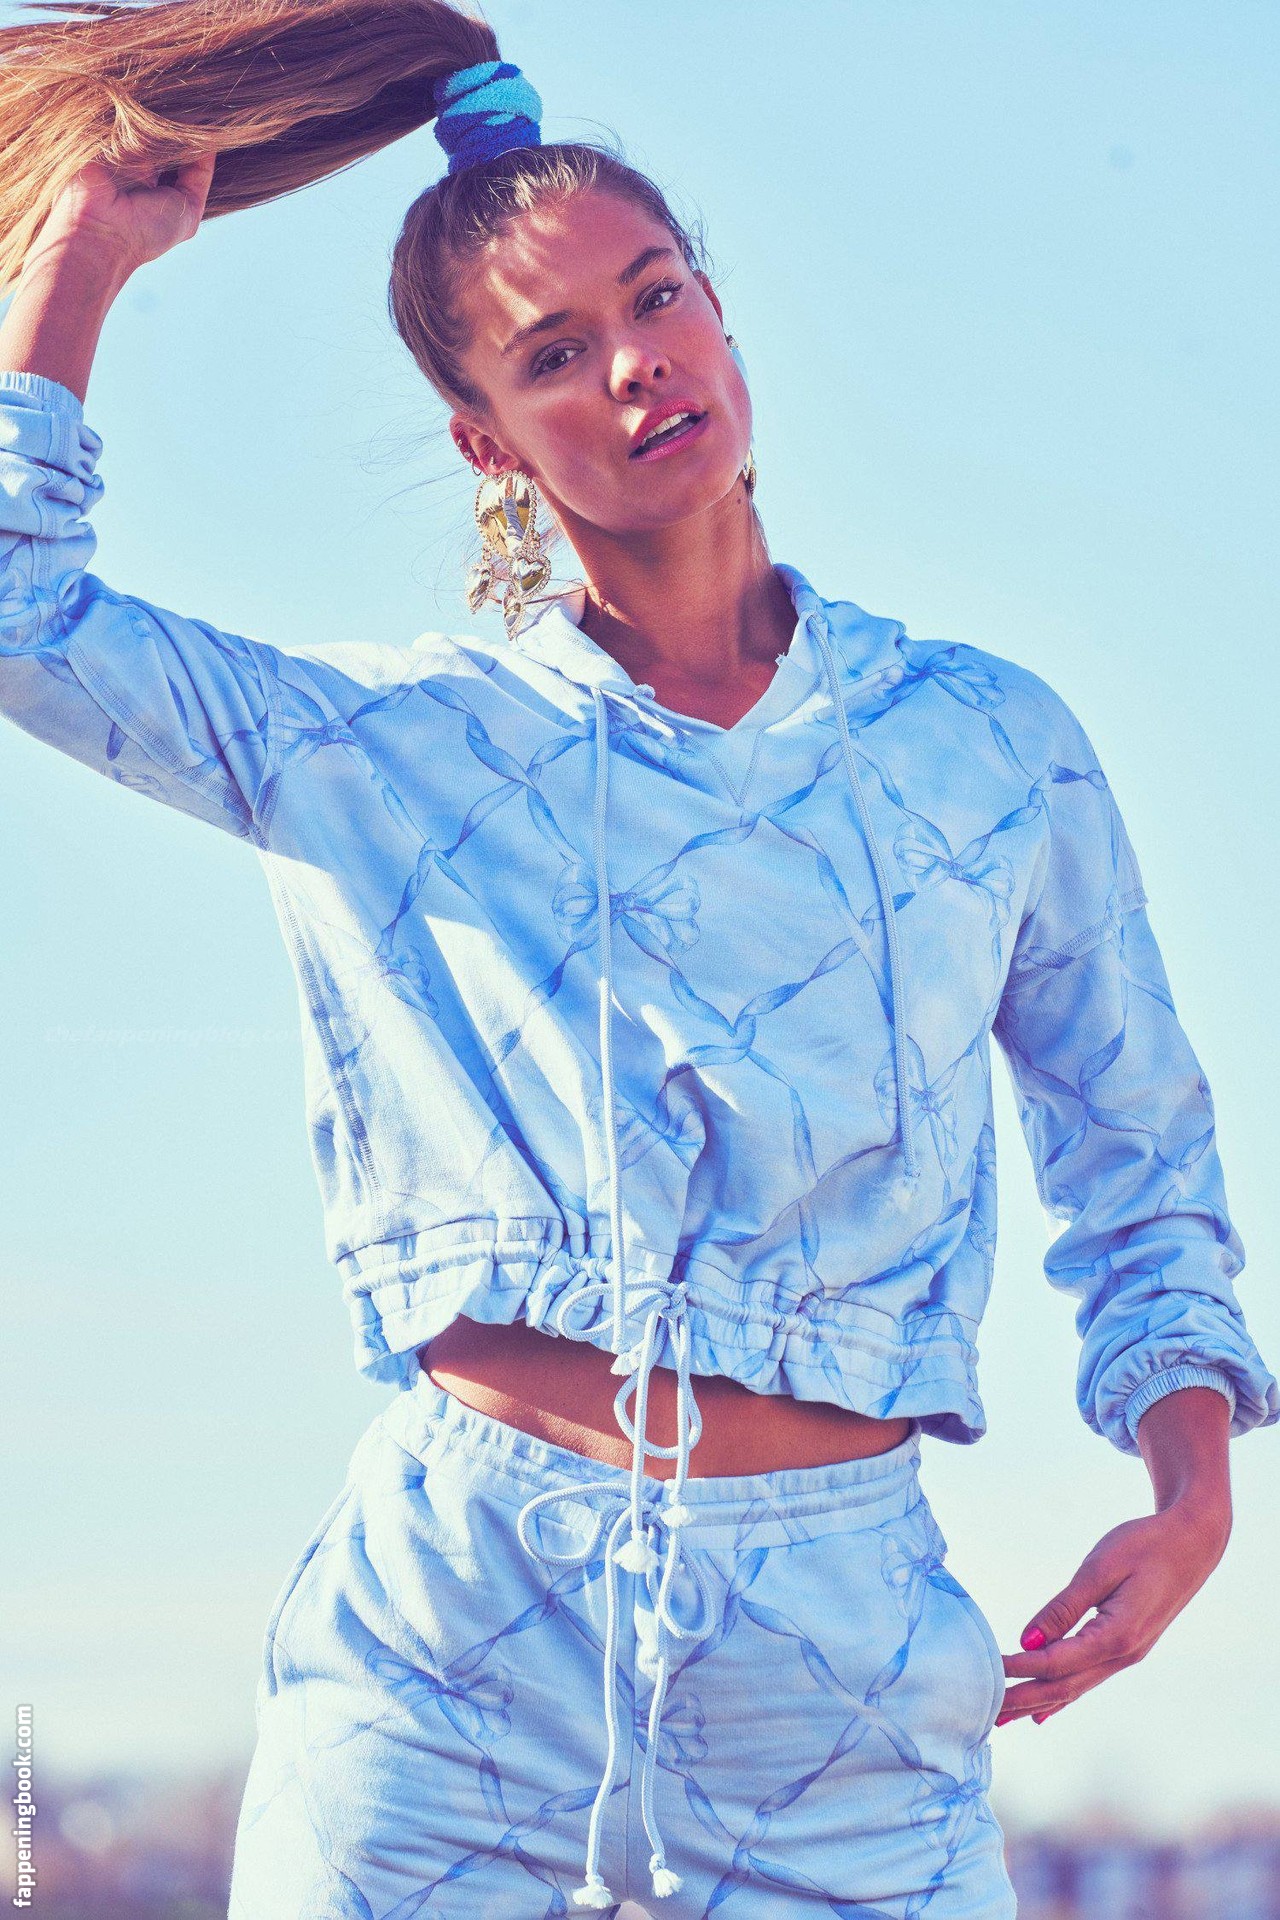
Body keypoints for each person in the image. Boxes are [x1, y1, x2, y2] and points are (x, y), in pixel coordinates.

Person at [1, 4, 1275, 1914]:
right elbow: (20, 618)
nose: (634, 364)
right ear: (487, 443)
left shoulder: (990, 747)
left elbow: (1139, 1155)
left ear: (722, 316)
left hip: (845, 1691)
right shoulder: (387, 750)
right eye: (552, 354)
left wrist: (1192, 1492)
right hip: (454, 1658)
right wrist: (84, 260)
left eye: (658, 297)